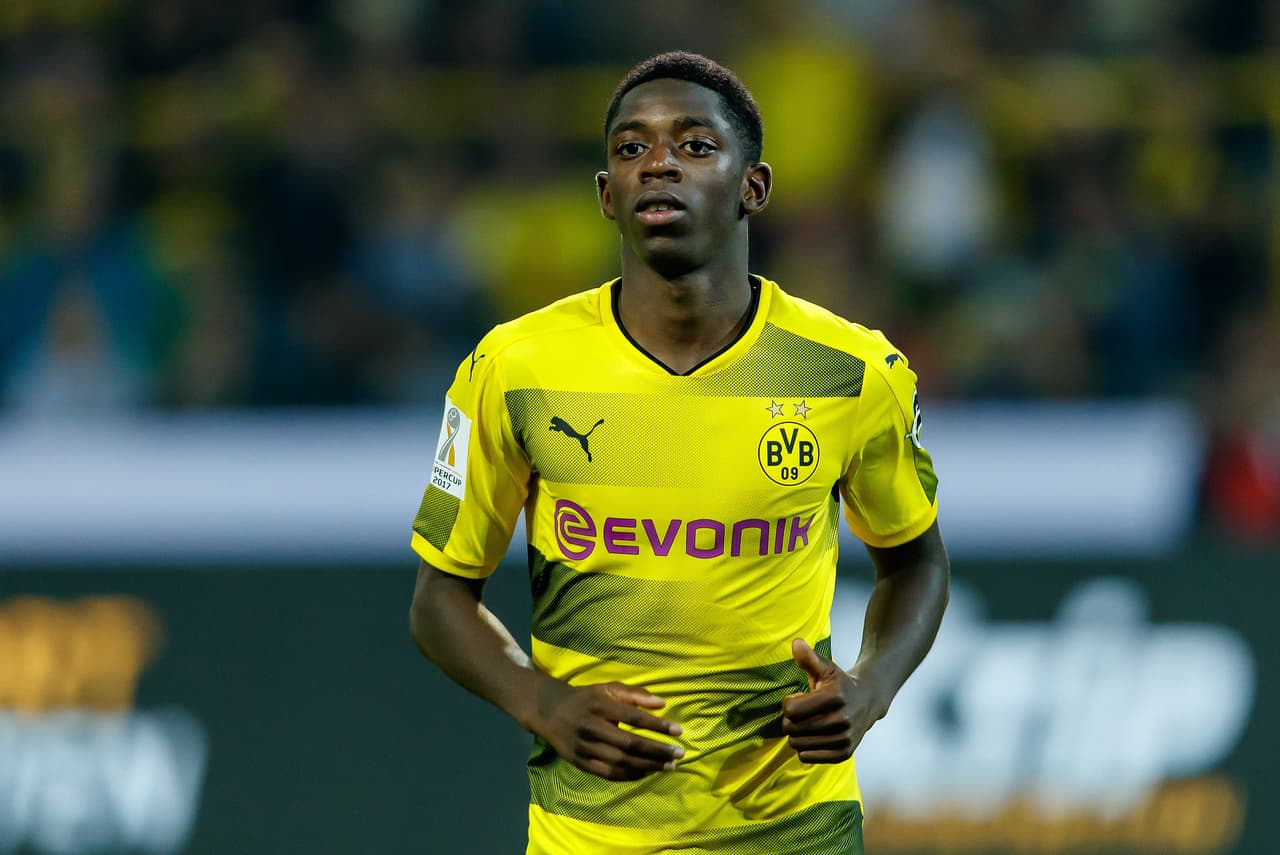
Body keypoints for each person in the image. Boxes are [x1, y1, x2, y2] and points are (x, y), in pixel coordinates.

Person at [408, 51, 950, 855]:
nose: (659, 162)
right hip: (589, 833)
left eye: (695, 145)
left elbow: (918, 564)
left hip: (794, 829)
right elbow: (437, 600)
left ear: (752, 187)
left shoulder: (853, 371)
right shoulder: (513, 367)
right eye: (632, 149)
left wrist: (869, 687)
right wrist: (543, 701)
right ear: (606, 196)